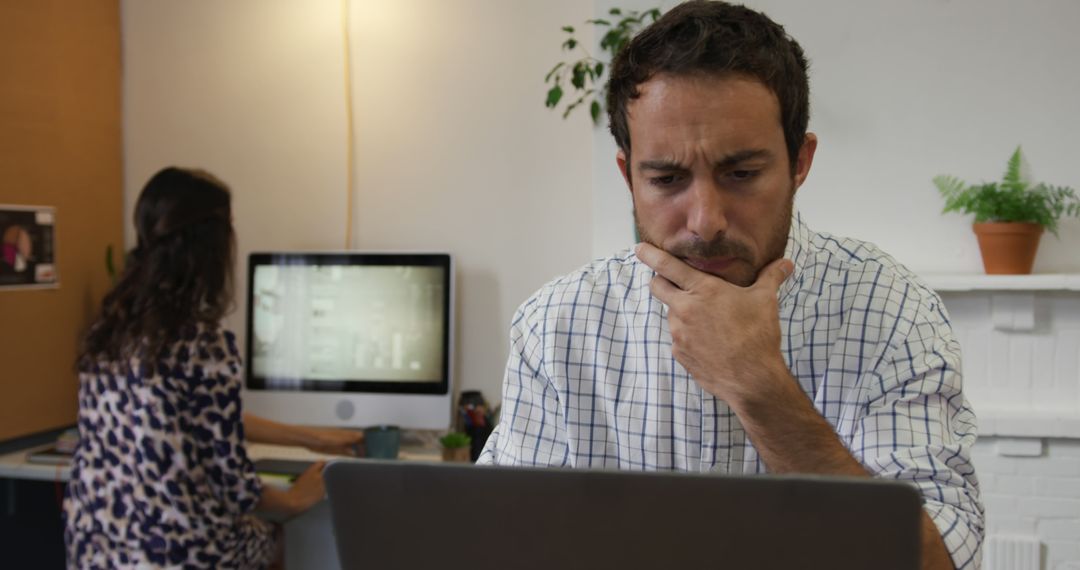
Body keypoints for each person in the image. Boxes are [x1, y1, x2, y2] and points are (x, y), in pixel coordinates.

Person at [477, 2, 984, 569]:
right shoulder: (555, 326)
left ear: (799, 162)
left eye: (741, 174)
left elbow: (938, 565)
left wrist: (760, 387)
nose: (705, 220)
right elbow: (503, 543)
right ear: (628, 176)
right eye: (667, 179)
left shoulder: (892, 312)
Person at [63, 167, 363, 569]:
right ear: (212, 245)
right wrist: (297, 497)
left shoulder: (110, 330)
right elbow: (235, 487)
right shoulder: (202, 344)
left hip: (98, 547)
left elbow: (192, 419)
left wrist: (311, 438)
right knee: (273, 536)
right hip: (178, 556)